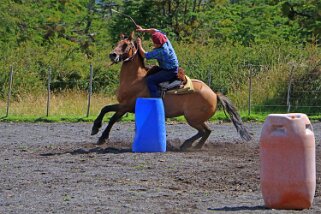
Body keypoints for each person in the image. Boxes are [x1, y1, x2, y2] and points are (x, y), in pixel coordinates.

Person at [136, 25, 179, 98]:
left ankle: (156, 100)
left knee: (150, 80)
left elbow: (145, 55)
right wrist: (143, 30)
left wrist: (139, 45)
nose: (155, 45)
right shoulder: (164, 37)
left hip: (170, 71)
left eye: (156, 44)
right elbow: (154, 30)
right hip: (169, 67)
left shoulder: (162, 51)